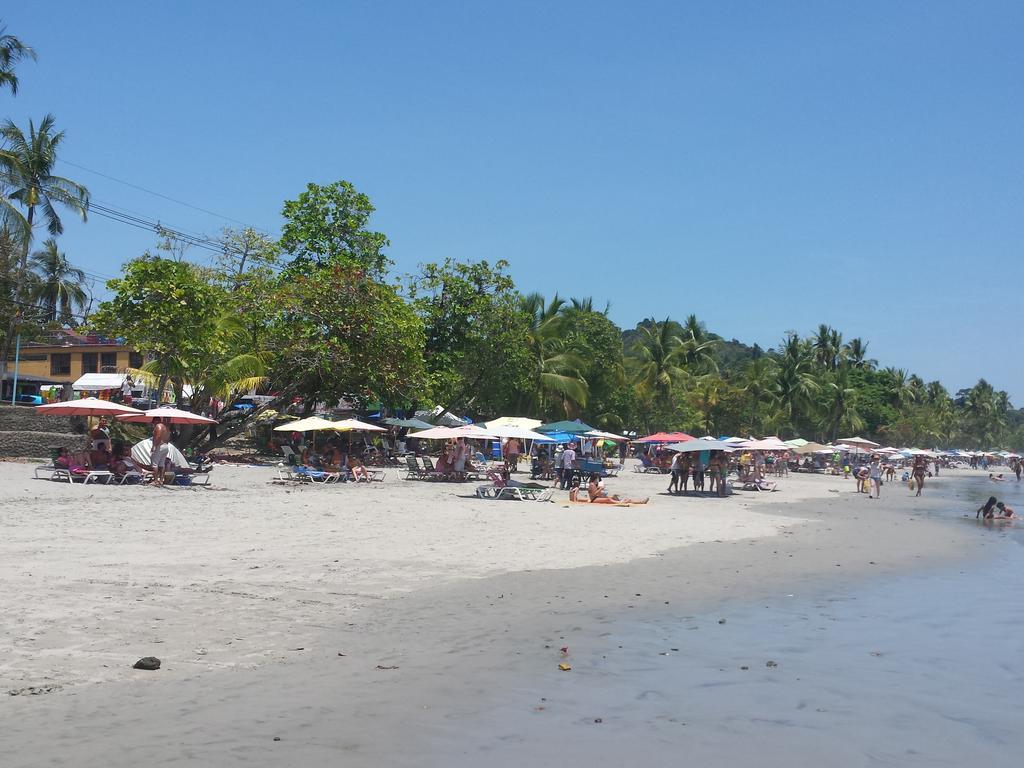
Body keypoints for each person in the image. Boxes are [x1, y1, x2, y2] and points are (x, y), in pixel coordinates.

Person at [569, 473, 649, 504]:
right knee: (609, 500)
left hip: (596, 498)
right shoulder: (592, 485)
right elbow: (594, 494)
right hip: (594, 499)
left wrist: (601, 491)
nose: (598, 479)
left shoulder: (593, 484)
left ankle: (639, 502)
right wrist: (601, 488)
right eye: (597, 478)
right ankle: (620, 503)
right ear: (594, 478)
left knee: (613, 496)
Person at [152, 418, 171, 486]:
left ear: (156, 421)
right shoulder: (166, 428)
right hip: (166, 445)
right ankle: (161, 480)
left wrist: (154, 446)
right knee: (162, 464)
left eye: (153, 422)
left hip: (160, 445)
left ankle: (155, 480)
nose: (153, 423)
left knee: (155, 464)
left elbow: (158, 436)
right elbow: (168, 438)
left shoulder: (159, 426)